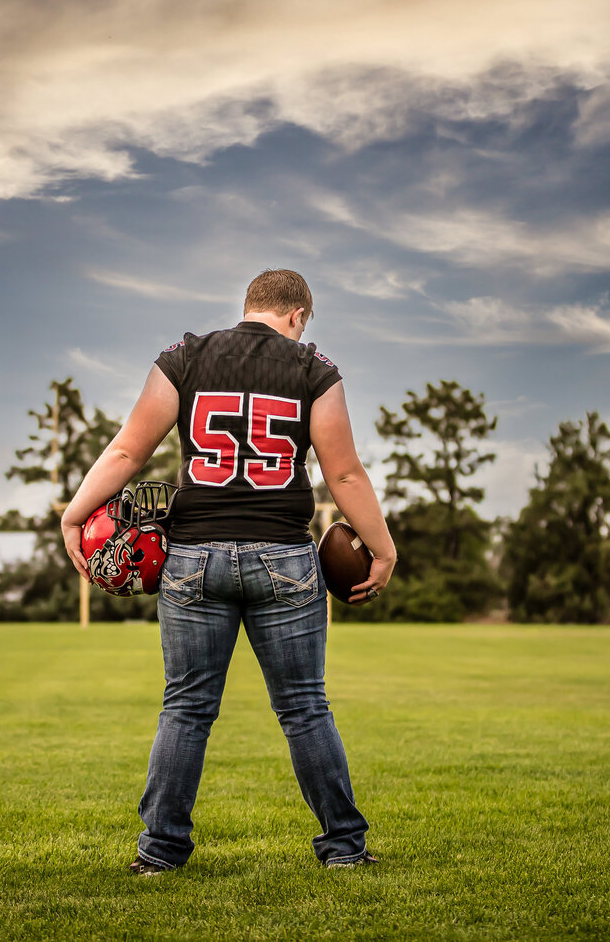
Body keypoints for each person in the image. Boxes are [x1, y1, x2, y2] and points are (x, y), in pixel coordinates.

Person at [60, 268, 397, 874]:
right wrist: (385, 549)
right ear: (298, 316)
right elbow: (343, 474)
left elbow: (127, 452)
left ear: (248, 308)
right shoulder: (312, 368)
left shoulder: (185, 356)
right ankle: (344, 849)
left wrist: (73, 515)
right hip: (283, 556)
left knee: (186, 708)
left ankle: (159, 853)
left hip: (193, 556)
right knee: (304, 707)